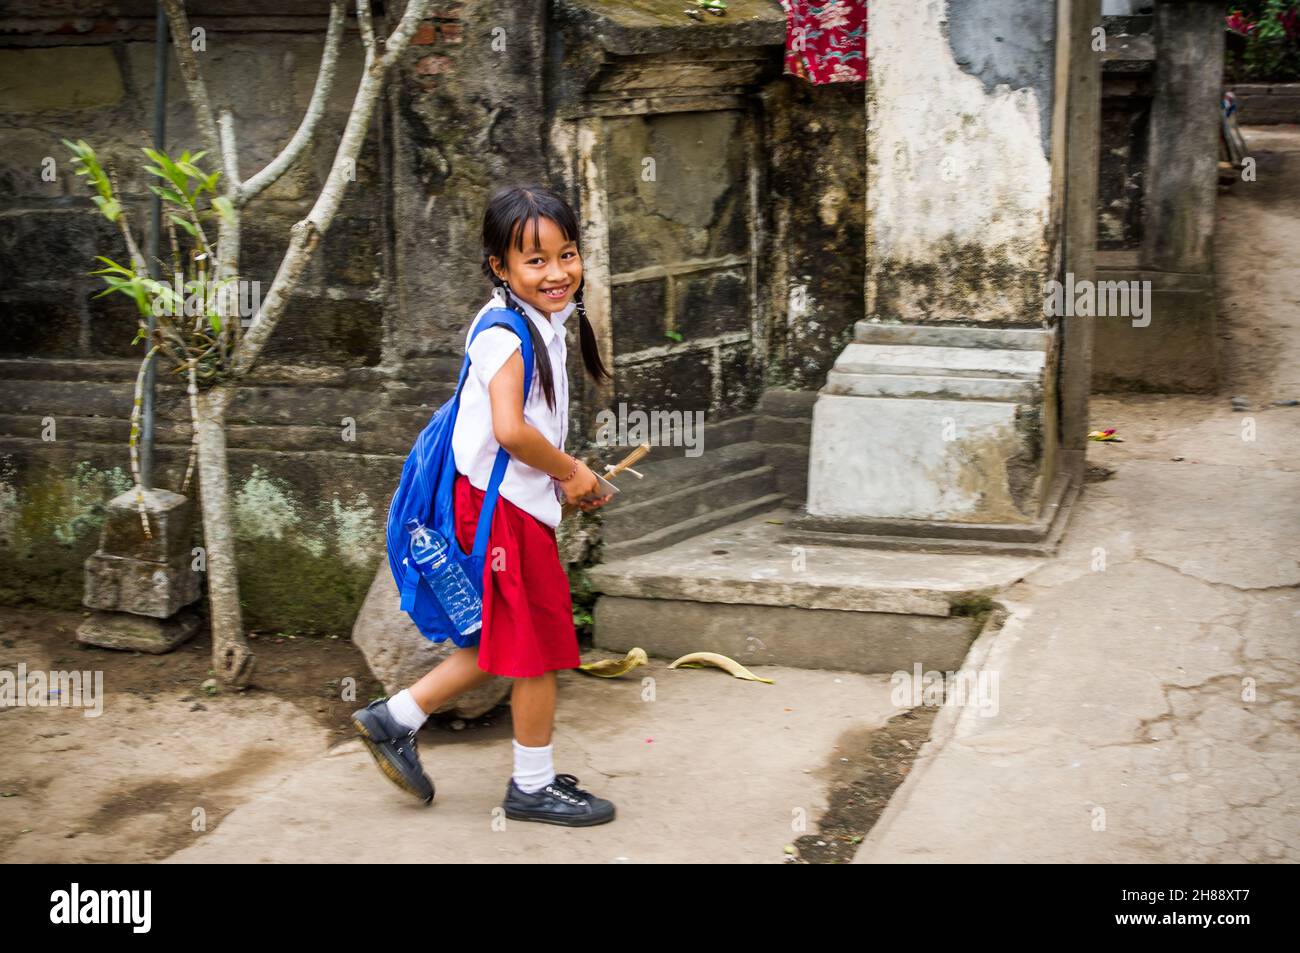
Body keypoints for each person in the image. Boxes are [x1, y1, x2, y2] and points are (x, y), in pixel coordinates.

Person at [352, 184, 617, 827]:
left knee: (510, 636)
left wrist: (560, 481)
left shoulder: (542, 321)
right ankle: (531, 786)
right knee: (538, 646)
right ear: (501, 267)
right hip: (500, 515)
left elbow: (529, 432)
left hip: (511, 506)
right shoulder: (504, 334)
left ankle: (395, 718)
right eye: (535, 260)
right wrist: (573, 471)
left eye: (568, 254)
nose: (557, 272)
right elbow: (509, 431)